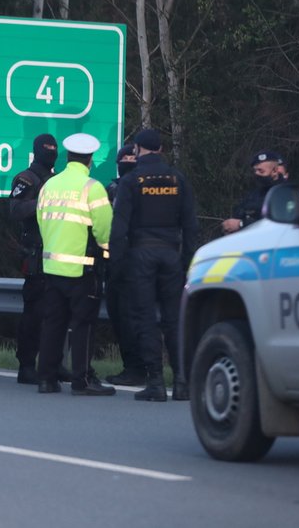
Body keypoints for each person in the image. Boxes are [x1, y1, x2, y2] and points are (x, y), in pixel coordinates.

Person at [110, 129, 199, 401]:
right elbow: (191, 225)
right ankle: (182, 382)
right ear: (160, 148)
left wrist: (116, 265)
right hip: (171, 254)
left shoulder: (132, 180)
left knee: (145, 318)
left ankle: (156, 383)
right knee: (174, 320)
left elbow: (119, 227)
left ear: (137, 149)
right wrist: (188, 262)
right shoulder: (177, 178)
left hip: (141, 255)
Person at [34, 133, 115, 396]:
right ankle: (82, 381)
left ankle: (46, 379)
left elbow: (41, 220)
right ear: (90, 159)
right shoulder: (93, 188)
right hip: (83, 268)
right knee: (83, 324)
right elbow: (105, 231)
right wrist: (109, 252)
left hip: (52, 267)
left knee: (53, 323)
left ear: (67, 157)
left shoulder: (49, 186)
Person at [9, 133, 72, 385]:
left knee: (57, 314)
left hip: (58, 254)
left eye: (54, 149)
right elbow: (14, 210)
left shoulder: (57, 180)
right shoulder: (26, 178)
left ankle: (53, 364)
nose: (51, 152)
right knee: (34, 314)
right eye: (47, 149)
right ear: (37, 151)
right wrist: (43, 202)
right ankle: (26, 365)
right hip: (35, 254)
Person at [104, 144, 146, 386]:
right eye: (125, 158)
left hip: (134, 261)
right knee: (122, 317)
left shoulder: (140, 189)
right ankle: (136, 367)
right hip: (118, 262)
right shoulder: (111, 191)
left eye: (133, 158)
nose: (129, 161)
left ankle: (138, 368)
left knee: (131, 317)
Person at [221, 151, 286, 234]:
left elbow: (278, 225)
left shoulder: (285, 193)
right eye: (255, 171)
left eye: (261, 171)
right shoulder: (254, 194)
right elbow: (240, 212)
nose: (256, 174)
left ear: (275, 171)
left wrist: (241, 224)